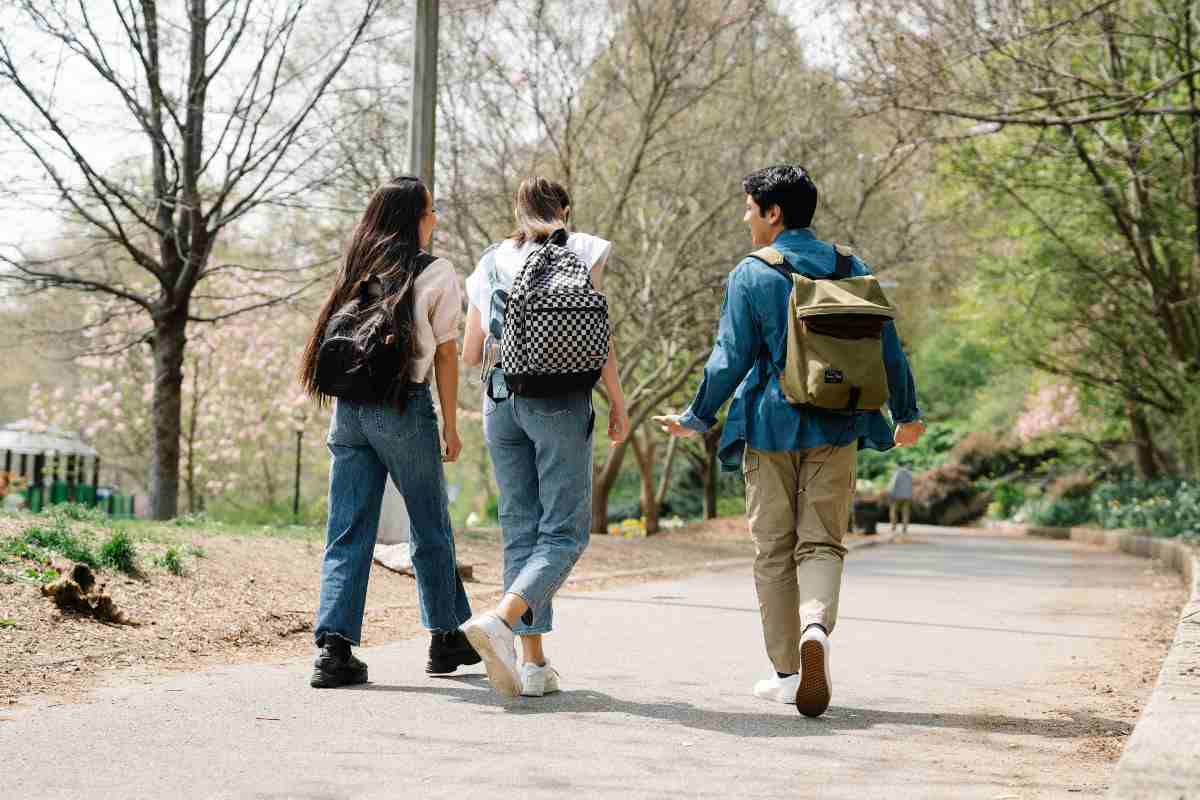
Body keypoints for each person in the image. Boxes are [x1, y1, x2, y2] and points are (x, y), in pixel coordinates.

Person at [655, 165, 925, 717]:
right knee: (822, 542)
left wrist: (696, 416)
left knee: (774, 550)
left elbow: (728, 358)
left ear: (773, 212)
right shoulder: (852, 267)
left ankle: (786, 672)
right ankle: (815, 627)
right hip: (840, 424)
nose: (744, 216)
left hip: (771, 424)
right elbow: (888, 349)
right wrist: (907, 413)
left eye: (749, 206)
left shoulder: (752, 274)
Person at [299, 176, 478, 688]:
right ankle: (445, 637)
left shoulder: (358, 265)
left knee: (348, 531)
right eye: (430, 211)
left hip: (349, 411)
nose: (435, 219)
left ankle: (334, 651)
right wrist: (450, 423)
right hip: (403, 406)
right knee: (429, 524)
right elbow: (446, 351)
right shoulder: (436, 272)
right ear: (413, 219)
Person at [460, 176, 630, 698]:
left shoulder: (490, 261)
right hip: (559, 402)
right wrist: (618, 404)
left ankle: (533, 665)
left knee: (522, 528)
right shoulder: (584, 249)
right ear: (566, 208)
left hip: (500, 400)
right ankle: (504, 621)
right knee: (564, 534)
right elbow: (597, 338)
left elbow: (470, 352)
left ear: (517, 210)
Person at [888, 465, 914, 534]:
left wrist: (890, 494)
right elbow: (912, 485)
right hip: (907, 497)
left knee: (894, 511)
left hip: (896, 496)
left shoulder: (896, 474)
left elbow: (892, 485)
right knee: (905, 512)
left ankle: (893, 526)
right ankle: (904, 528)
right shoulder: (910, 474)